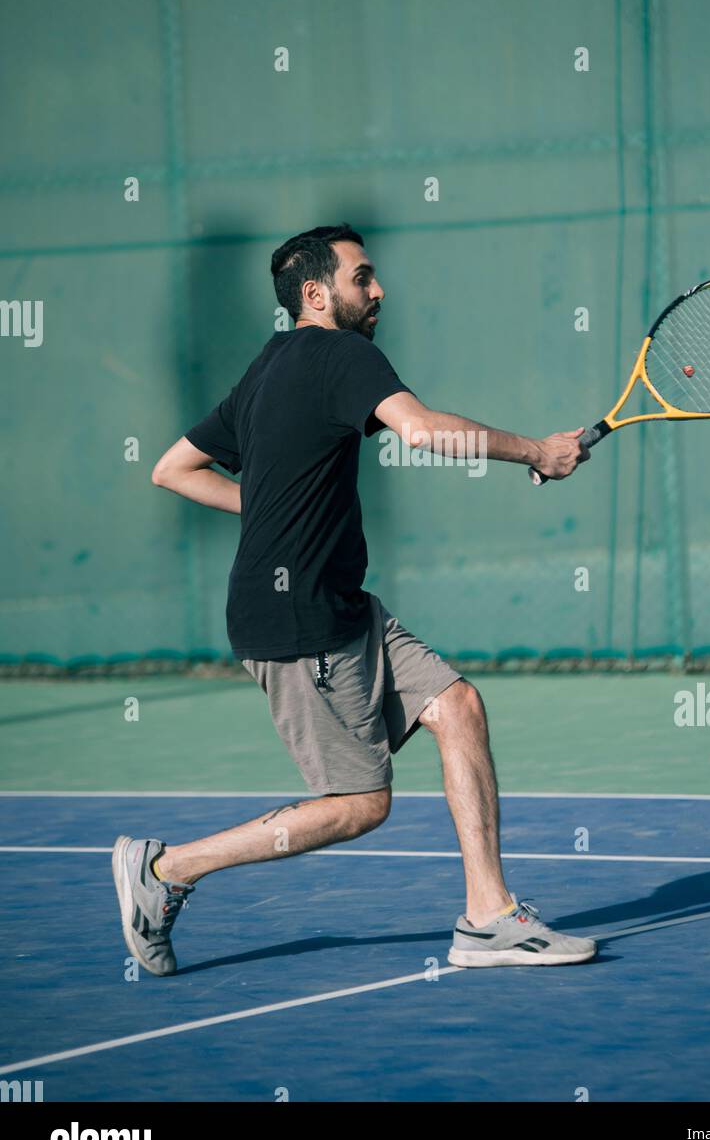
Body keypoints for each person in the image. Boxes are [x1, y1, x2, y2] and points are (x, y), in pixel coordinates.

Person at [113, 224, 595, 976]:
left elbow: (172, 469)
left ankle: (489, 917)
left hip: (344, 604)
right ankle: (167, 870)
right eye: (362, 277)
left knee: (457, 706)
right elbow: (425, 430)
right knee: (360, 805)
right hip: (298, 621)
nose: (378, 291)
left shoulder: (271, 363)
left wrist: (270, 510)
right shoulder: (344, 354)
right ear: (317, 294)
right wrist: (537, 452)